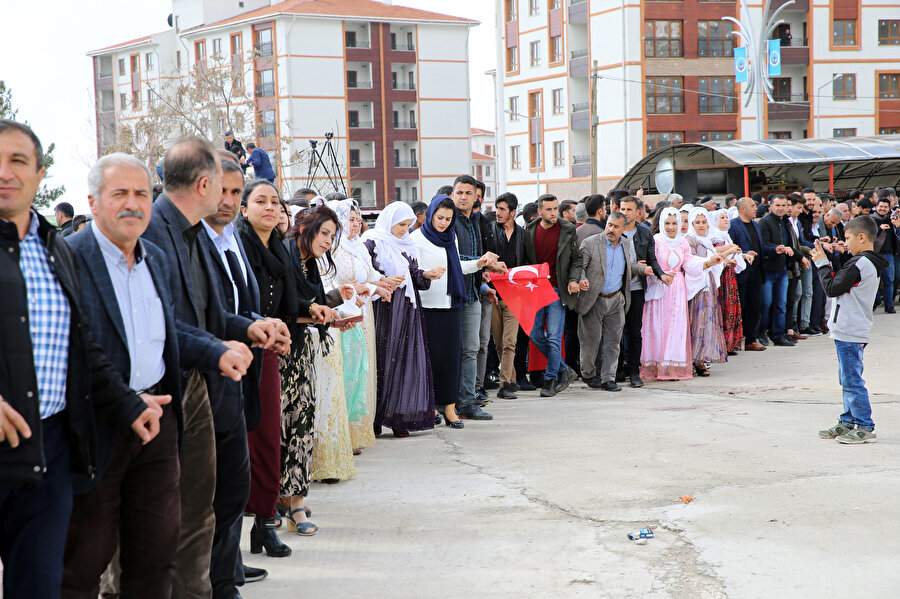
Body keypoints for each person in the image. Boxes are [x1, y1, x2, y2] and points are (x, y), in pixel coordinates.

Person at [0, 120, 167, 599]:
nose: (5, 172)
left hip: (48, 451)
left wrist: (128, 405)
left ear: (39, 173)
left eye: (18, 161)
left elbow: (82, 345)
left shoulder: (55, 251)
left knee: (41, 586)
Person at [62, 153, 215, 598]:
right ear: (93, 201)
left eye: (142, 194)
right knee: (83, 561)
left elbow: (167, 332)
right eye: (120, 194)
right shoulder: (69, 259)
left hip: (158, 426)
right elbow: (75, 350)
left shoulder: (157, 260)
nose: (133, 204)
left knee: (155, 556)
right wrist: (128, 403)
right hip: (98, 428)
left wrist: (218, 350)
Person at [142, 137, 284, 598]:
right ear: (205, 183)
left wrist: (251, 327)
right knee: (168, 515)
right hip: (165, 390)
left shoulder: (194, 231)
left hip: (205, 386)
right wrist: (219, 348)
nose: (231, 200)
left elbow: (211, 312)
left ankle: (214, 586)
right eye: (225, 188)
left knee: (213, 504)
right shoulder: (155, 230)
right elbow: (166, 323)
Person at [234, 179, 295, 559]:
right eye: (260, 201)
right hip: (233, 348)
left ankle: (265, 522)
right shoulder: (234, 246)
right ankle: (227, 541)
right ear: (244, 209)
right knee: (234, 441)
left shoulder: (281, 249)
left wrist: (310, 311)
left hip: (270, 350)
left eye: (275, 201)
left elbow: (294, 298)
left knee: (268, 439)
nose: (270, 207)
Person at [279, 207, 342, 538]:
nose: (328, 242)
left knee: (302, 426)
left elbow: (310, 303)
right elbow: (285, 306)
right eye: (324, 233)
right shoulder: (284, 254)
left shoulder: (309, 262)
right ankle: (280, 498)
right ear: (305, 227)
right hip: (280, 352)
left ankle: (296, 502)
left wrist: (326, 311)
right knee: (281, 427)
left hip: (301, 350)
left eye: (332, 235)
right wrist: (313, 311)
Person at [413, 195, 496, 426]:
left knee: (451, 360)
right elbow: (414, 271)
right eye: (440, 217)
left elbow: (455, 266)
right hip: (427, 307)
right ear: (430, 214)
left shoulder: (450, 236)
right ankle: (430, 407)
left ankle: (450, 408)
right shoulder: (416, 239)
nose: (444, 223)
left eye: (449, 219)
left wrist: (478, 264)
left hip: (451, 306)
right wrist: (427, 274)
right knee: (430, 360)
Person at [363, 202, 444, 435]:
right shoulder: (371, 241)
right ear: (389, 221)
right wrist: (384, 280)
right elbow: (365, 272)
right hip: (383, 311)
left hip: (407, 312)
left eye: (408, 225)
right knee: (380, 361)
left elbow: (414, 276)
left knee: (403, 361)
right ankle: (375, 419)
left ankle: (398, 417)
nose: (404, 230)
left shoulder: (408, 244)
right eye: (401, 224)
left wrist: (426, 274)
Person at [814, 216, 887, 443]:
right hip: (850, 328)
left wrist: (822, 263)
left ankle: (865, 426)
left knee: (852, 380)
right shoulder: (866, 261)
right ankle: (848, 421)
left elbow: (833, 287)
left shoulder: (861, 263)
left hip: (849, 330)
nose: (845, 243)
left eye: (847, 238)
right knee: (847, 378)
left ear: (862, 237)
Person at [327, 199, 391, 451]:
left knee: (362, 370)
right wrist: (362, 288)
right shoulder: (333, 247)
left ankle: (358, 431)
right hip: (342, 313)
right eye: (350, 219)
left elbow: (369, 276)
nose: (355, 224)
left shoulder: (358, 246)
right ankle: (343, 433)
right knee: (347, 371)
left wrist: (382, 284)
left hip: (364, 311)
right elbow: (330, 281)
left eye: (357, 219)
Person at [641, 207, 722, 380]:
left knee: (675, 326)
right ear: (661, 224)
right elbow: (651, 261)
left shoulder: (682, 242)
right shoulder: (656, 240)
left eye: (674, 223)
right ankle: (656, 365)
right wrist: (660, 275)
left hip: (677, 288)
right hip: (659, 286)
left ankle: (671, 367)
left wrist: (709, 263)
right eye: (667, 223)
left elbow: (690, 264)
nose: (671, 227)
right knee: (657, 325)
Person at [524, 193, 583, 397]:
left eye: (555, 209)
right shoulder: (530, 230)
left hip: (558, 289)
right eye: (548, 209)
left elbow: (577, 259)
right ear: (539, 211)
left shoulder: (567, 229)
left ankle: (550, 379)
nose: (553, 213)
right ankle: (564, 369)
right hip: (537, 289)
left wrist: (574, 279)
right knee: (535, 333)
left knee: (555, 337)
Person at [451, 175, 495, 419]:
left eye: (468, 193)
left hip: (472, 294)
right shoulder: (448, 221)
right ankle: (447, 402)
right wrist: (482, 262)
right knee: (452, 351)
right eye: (460, 192)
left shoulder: (475, 221)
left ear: (476, 196)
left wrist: (483, 282)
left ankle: (467, 401)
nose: (464, 197)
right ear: (453, 194)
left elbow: (476, 260)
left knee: (471, 349)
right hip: (451, 296)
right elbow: (451, 259)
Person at [576, 212, 632, 391]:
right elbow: (579, 267)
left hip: (616, 299)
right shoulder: (590, 243)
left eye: (616, 226)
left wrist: (643, 269)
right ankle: (589, 374)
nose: (611, 229)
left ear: (623, 229)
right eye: (609, 225)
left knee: (613, 342)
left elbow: (628, 267)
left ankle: (609, 377)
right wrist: (582, 278)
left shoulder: (626, 244)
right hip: (594, 298)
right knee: (590, 341)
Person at [616, 196, 668, 387]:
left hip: (636, 289)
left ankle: (634, 371)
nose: (625, 213)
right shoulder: (613, 232)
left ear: (638, 212)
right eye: (622, 208)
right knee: (615, 331)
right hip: (616, 289)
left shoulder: (645, 234)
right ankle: (617, 369)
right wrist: (632, 266)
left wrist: (661, 274)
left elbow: (652, 259)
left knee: (634, 331)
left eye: (629, 209)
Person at [684, 208, 732, 376]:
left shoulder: (707, 240)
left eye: (704, 222)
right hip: (696, 288)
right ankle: (689, 360)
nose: (701, 225)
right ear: (692, 224)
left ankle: (701, 359)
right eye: (697, 222)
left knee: (705, 322)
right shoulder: (689, 240)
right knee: (694, 322)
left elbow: (714, 260)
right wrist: (709, 262)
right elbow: (691, 262)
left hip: (708, 285)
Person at [490, 192, 529, 398]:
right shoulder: (490, 231)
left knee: (509, 342)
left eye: (502, 209)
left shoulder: (524, 235)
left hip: (514, 296)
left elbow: (530, 263)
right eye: (497, 208)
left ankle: (504, 384)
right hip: (493, 295)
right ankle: (511, 378)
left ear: (513, 212)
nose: (498, 213)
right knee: (498, 343)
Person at [758, 194, 797, 346]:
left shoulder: (785, 222)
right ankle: (761, 332)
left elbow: (791, 246)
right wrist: (776, 249)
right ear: (771, 206)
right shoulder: (765, 222)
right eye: (778, 205)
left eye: (783, 205)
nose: (781, 208)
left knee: (781, 304)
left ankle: (778, 335)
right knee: (766, 303)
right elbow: (764, 245)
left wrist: (800, 257)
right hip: (768, 269)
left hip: (782, 269)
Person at [710, 208, 749, 354]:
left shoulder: (726, 236)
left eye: (726, 217)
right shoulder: (713, 236)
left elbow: (734, 253)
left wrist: (742, 256)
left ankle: (731, 342)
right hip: (720, 276)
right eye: (722, 218)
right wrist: (729, 253)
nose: (726, 220)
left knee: (731, 308)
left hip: (729, 275)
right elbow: (714, 254)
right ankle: (722, 344)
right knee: (723, 309)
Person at [871, 197, 900, 313]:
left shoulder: (892, 219)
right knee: (873, 281)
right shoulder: (870, 219)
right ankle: (876, 301)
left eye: (885, 207)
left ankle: (889, 305)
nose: (882, 209)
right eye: (881, 206)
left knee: (889, 280)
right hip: (874, 254)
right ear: (876, 207)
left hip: (889, 253)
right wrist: (879, 229)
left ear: (889, 208)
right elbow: (867, 234)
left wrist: (896, 224)